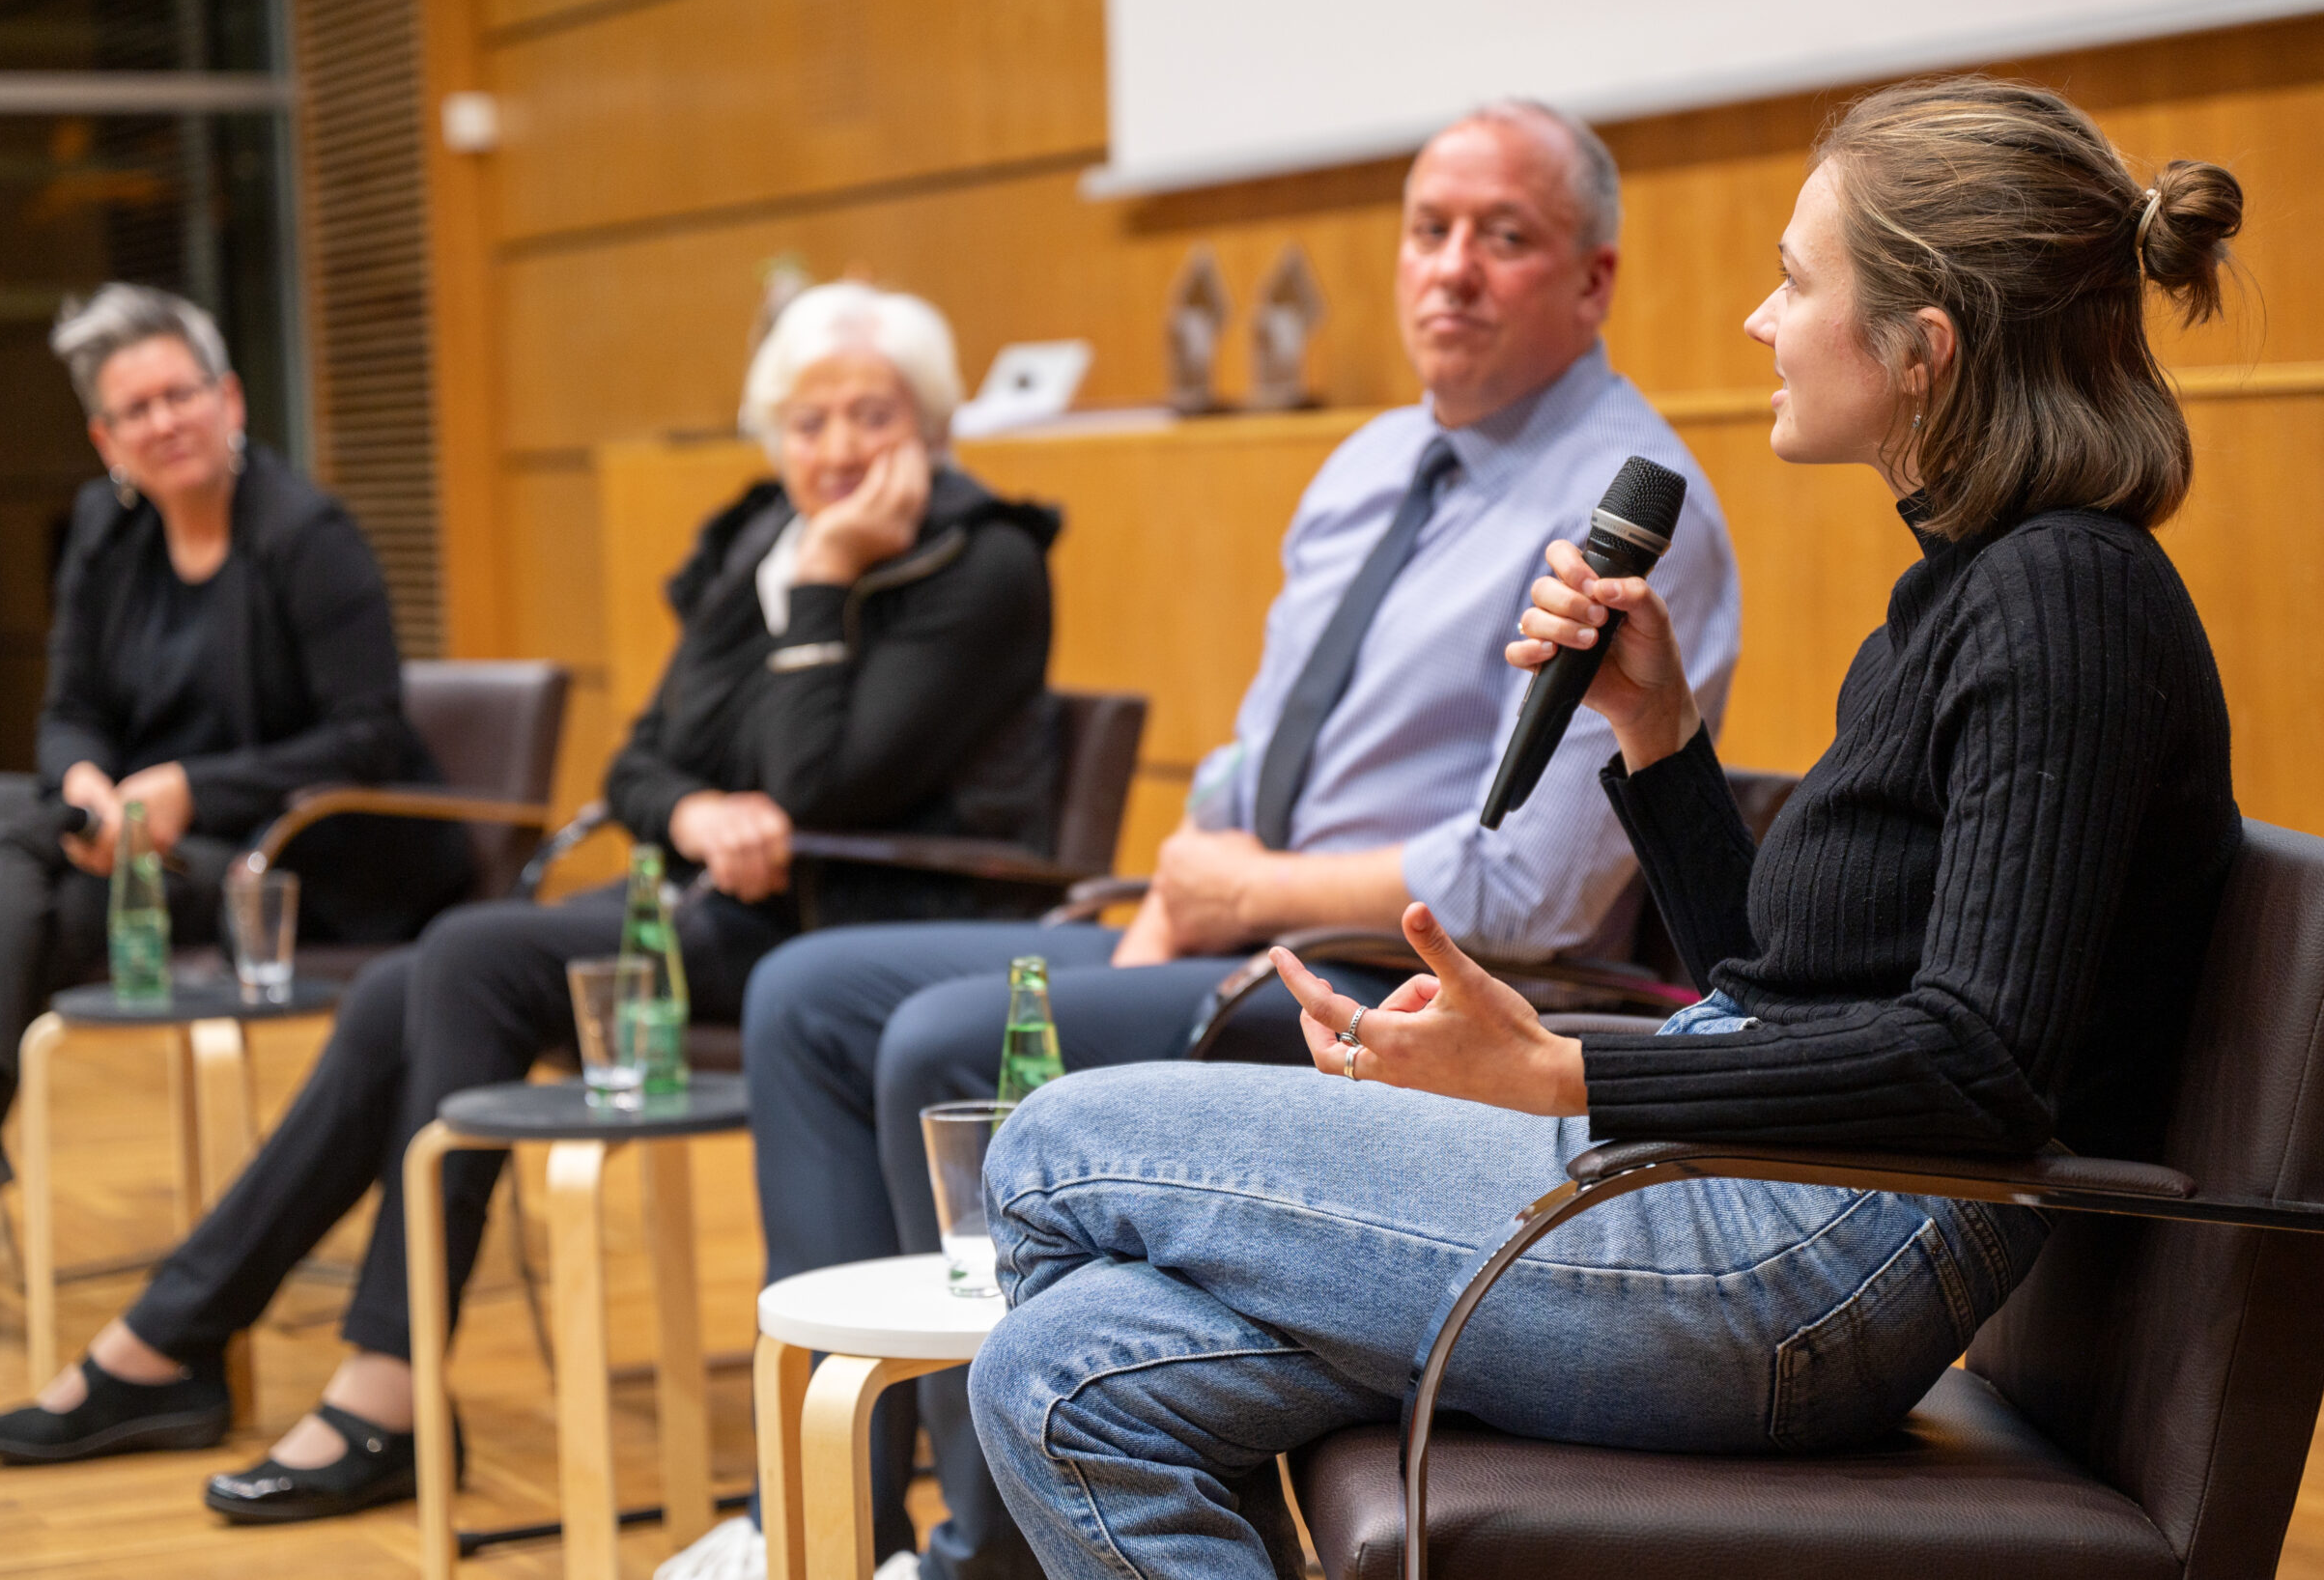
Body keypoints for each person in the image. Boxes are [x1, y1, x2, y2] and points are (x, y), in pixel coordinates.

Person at [964, 75, 2247, 1579]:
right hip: (1742, 1188)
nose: (1760, 325)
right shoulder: (1961, 595)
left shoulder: (2066, 597)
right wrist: (1657, 732)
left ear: (1923, 350)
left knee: (1048, 1147)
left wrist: (1558, 1067)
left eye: (1791, 280)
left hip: (1801, 1263)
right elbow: (1779, 983)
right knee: (1056, 1378)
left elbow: (1978, 1062)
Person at [667, 104, 1743, 1580]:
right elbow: (1252, 750)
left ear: (1595, 278)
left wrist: (1250, 889)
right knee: (809, 996)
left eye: (1506, 237)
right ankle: (829, 1522)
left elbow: (1538, 885)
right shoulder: (1367, 462)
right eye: (1429, 230)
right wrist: (1184, 889)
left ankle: (986, 1549)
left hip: (1380, 988)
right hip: (1234, 930)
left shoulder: (1625, 512)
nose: (1453, 269)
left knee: (941, 1040)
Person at [0, 282, 1065, 1525]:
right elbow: (642, 761)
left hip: (870, 935)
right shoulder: (761, 538)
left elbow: (818, 785)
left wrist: (820, 586)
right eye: (806, 423)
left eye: (871, 415)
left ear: (930, 424)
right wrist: (696, 811)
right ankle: (189, 1336)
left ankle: (350, 1380)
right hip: (735, 914)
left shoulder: (985, 560)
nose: (837, 450)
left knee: (468, 955)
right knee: (404, 984)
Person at [0, 283, 472, 1346]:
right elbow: (70, 712)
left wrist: (194, 788)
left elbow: (368, 736)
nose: (163, 422)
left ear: (229, 399)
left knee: (12, 909)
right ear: (105, 438)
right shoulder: (107, 531)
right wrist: (88, 785)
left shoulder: (307, 534)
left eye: (179, 394)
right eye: (133, 410)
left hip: (302, 867)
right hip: (157, 856)